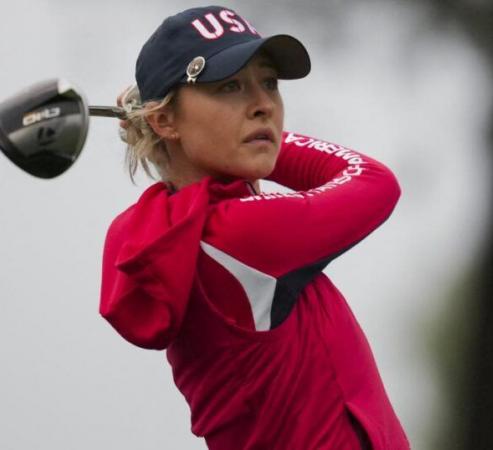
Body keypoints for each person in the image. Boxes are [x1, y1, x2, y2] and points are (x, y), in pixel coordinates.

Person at [99, 5, 410, 450]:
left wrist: (244, 137)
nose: (264, 106)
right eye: (230, 86)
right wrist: (267, 143)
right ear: (164, 120)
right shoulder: (238, 237)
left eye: (268, 83)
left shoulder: (182, 231)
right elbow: (375, 183)